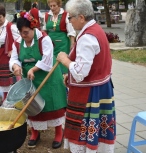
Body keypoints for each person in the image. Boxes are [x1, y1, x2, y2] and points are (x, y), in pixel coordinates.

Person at [56, 0, 116, 152]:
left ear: (81, 17)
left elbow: (81, 72)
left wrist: (65, 61)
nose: (69, 21)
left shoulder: (87, 38)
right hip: (101, 88)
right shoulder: (95, 29)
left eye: (70, 18)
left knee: (86, 134)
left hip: (90, 94)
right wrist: (70, 75)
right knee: (97, 130)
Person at [9, 11, 67, 149]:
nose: (24, 35)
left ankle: (59, 132)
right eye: (21, 32)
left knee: (54, 104)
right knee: (32, 105)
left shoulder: (44, 39)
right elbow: (14, 58)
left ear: (33, 28)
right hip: (30, 79)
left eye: (26, 32)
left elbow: (47, 59)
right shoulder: (18, 42)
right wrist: (16, 65)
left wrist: (33, 69)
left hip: (48, 75)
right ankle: (35, 133)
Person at [0, 6, 20, 106]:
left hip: (6, 58)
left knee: (9, 82)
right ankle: (4, 100)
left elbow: (19, 40)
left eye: (0, 17)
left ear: (4, 16)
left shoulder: (10, 27)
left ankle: (11, 102)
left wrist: (12, 49)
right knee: (2, 82)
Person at [43, 0, 76, 74]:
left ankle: (64, 79)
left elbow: (71, 31)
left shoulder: (65, 15)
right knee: (52, 62)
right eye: (50, 6)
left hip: (63, 44)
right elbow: (45, 30)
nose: (52, 8)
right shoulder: (47, 15)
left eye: (54, 6)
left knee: (63, 63)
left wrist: (72, 44)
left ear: (59, 5)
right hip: (50, 44)